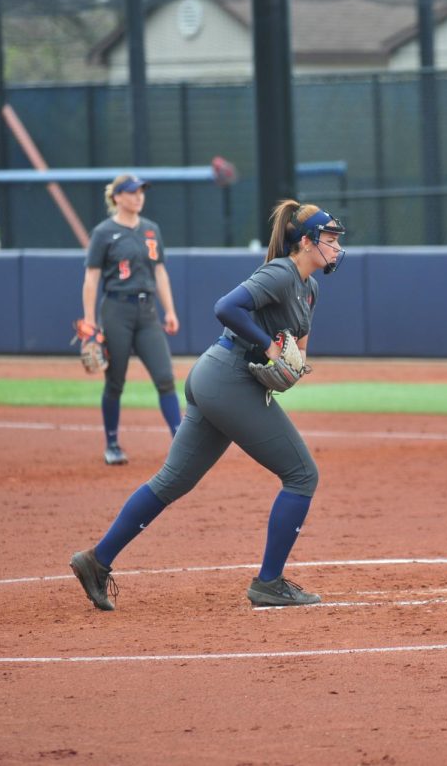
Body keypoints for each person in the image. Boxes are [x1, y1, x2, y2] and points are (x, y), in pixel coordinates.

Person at [70, 200, 347, 610]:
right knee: (302, 474)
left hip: (220, 380)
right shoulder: (282, 272)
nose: (337, 248)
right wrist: (271, 348)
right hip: (227, 377)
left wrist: (293, 364)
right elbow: (226, 307)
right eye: (329, 240)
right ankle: (269, 583)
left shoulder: (309, 288)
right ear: (306, 242)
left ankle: (96, 561)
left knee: (172, 481)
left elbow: (298, 348)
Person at [81, 174, 182, 465]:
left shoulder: (151, 230)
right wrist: (89, 323)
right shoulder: (103, 233)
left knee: (165, 378)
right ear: (117, 198)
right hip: (116, 310)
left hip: (148, 311)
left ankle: (180, 442)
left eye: (141, 191)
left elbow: (160, 271)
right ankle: (112, 444)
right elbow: (91, 278)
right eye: (132, 192)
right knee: (115, 381)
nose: (139, 196)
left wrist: (170, 310)